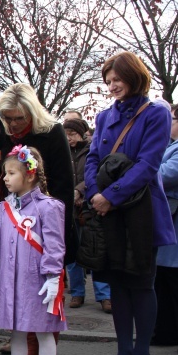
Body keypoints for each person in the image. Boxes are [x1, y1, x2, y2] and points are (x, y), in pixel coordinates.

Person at [85, 51, 175, 355]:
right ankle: (123, 351)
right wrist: (97, 194)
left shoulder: (155, 114)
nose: (112, 86)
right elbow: (93, 158)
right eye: (108, 81)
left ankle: (141, 354)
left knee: (140, 282)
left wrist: (110, 196)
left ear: (133, 76)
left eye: (117, 79)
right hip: (108, 210)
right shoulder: (104, 116)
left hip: (142, 210)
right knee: (118, 285)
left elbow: (149, 165)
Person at [0, 83, 74, 355]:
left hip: (45, 222)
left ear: (32, 112)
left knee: (45, 292)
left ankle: (43, 348)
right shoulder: (3, 134)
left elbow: (63, 184)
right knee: (20, 289)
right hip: (13, 219)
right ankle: (24, 338)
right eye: (8, 118)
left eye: (18, 118)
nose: (13, 124)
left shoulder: (52, 133)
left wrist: (55, 229)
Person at [0, 146, 67, 355]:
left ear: (30, 175)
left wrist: (53, 277)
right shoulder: (3, 208)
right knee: (17, 331)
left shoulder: (49, 207)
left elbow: (54, 245)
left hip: (38, 280)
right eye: (5, 173)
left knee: (44, 331)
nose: (6, 178)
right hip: (11, 279)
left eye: (11, 173)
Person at [62, 117, 112, 314]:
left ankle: (104, 295)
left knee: (95, 250)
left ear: (81, 134)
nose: (69, 139)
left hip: (89, 208)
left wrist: (80, 191)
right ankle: (77, 293)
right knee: (73, 253)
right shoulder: (62, 152)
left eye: (72, 134)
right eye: (66, 135)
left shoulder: (91, 150)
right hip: (70, 210)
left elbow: (96, 173)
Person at [153, 102, 178, 355]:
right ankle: (165, 332)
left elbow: (164, 174)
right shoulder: (173, 147)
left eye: (172, 119)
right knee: (164, 282)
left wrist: (144, 168)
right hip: (171, 225)